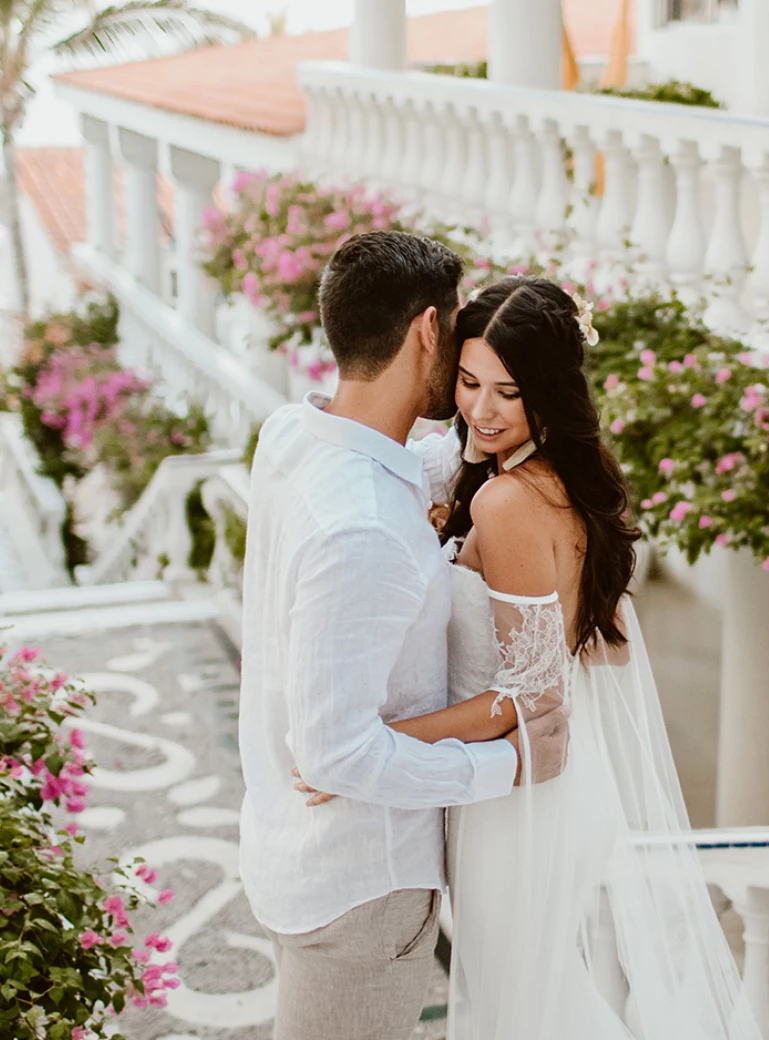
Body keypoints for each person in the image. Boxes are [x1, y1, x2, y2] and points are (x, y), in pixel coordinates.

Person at [298, 275, 764, 1040]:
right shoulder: (544, 484)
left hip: (517, 801)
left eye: (507, 393)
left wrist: (371, 747)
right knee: (541, 1004)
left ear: (546, 392)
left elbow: (534, 696)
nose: (480, 410)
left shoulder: (508, 501)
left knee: (524, 1013)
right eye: (470, 382)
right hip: (548, 789)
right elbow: (597, 653)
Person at [237, 233, 571, 1040]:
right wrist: (507, 762)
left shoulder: (292, 435)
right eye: (458, 337)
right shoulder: (370, 528)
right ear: (429, 329)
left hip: (291, 848)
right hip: (363, 891)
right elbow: (338, 758)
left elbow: (422, 465)